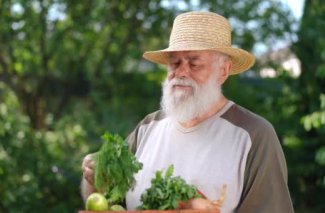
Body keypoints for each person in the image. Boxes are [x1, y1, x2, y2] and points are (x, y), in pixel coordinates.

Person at [81, 11, 294, 213]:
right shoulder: (148, 128)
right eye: (175, 63)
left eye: (194, 63)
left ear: (224, 70)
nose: (181, 72)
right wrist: (94, 178)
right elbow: (105, 202)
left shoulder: (254, 135)